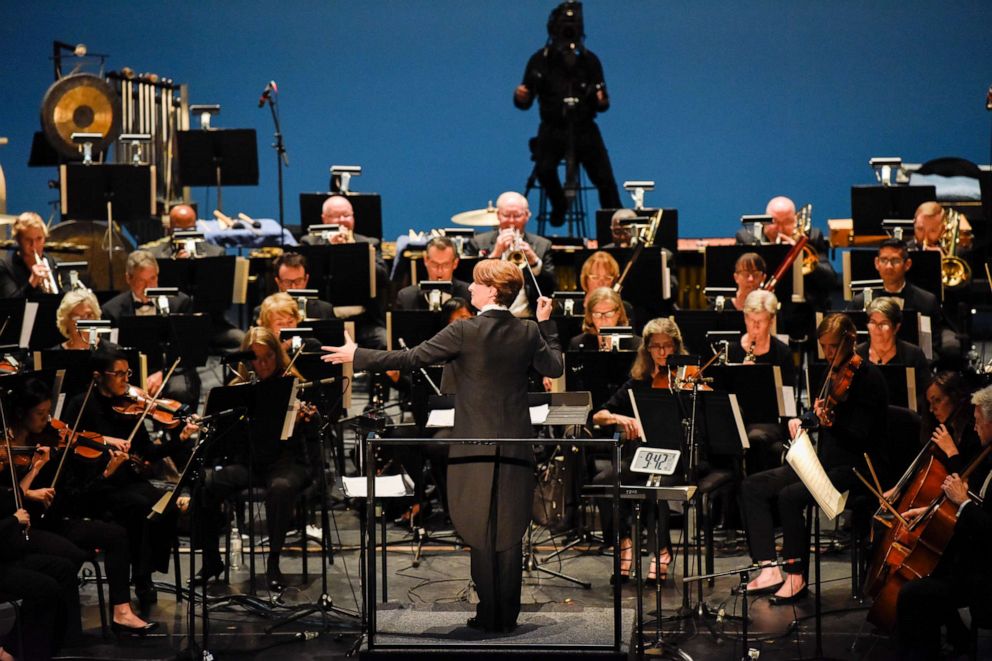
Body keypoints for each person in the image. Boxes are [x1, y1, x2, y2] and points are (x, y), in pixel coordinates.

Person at [322, 260, 563, 633]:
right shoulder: (529, 331)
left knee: (482, 529)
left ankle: (488, 615)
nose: (469, 290)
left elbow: (411, 358)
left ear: (493, 292)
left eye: (477, 285)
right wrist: (547, 323)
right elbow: (554, 367)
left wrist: (359, 356)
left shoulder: (465, 331)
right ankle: (505, 616)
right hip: (516, 443)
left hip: (472, 443)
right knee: (510, 528)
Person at [741, 314, 888, 602]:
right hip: (824, 462)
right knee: (752, 486)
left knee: (789, 497)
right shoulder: (832, 372)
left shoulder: (869, 379)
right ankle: (770, 568)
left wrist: (831, 422)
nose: (829, 353)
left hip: (856, 466)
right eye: (824, 346)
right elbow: (820, 412)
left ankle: (796, 576)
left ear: (849, 340)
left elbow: (861, 435)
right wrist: (804, 420)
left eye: (834, 346)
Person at [7, 378, 160, 630]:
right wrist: (31, 489)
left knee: (117, 535)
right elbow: (5, 498)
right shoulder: (8, 450)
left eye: (48, 413)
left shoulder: (54, 444)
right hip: (25, 528)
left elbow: (75, 496)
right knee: (71, 556)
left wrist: (105, 474)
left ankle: (122, 611)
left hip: (56, 520)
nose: (47, 421)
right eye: (40, 414)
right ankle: (63, 626)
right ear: (21, 413)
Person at [60, 348, 189, 610]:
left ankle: (146, 570)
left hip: (127, 480)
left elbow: (148, 453)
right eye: (118, 374)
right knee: (139, 508)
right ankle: (141, 578)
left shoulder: (131, 405)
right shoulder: (80, 404)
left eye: (127, 373)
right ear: (98, 376)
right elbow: (68, 442)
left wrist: (180, 439)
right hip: (98, 484)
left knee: (165, 503)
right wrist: (106, 444)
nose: (125, 380)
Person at [196, 327, 318, 591]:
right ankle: (211, 559)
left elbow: (315, 433)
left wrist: (304, 420)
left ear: (277, 355)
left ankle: (273, 561)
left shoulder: (293, 384)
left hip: (288, 463)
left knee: (281, 488)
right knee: (204, 483)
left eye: (268, 358)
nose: (262, 365)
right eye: (256, 359)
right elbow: (222, 437)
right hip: (250, 463)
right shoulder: (238, 389)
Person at [589, 317, 691, 584]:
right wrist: (618, 419)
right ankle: (624, 543)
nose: (661, 352)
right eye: (655, 346)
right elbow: (598, 415)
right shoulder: (639, 380)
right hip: (644, 455)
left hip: (678, 456)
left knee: (654, 487)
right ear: (646, 349)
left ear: (675, 347)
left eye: (666, 346)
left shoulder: (688, 378)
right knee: (604, 482)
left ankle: (662, 552)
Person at [894, 384, 992, 660]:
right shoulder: (987, 453)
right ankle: (944, 642)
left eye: (979, 422)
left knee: (913, 594)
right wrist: (929, 511)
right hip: (973, 560)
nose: (975, 428)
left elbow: (986, 524)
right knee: (921, 580)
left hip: (984, 574)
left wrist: (962, 503)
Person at [514, 1, 621, 227]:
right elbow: (524, 100)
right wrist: (520, 96)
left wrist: (601, 99)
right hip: (553, 128)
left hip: (584, 128)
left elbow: (603, 103)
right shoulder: (540, 60)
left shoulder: (589, 61)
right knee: (544, 168)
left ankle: (615, 228)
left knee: (606, 181)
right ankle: (559, 205)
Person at [101, 249, 201, 406]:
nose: (149, 287)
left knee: (180, 390)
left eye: (153, 279)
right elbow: (110, 356)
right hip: (130, 372)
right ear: (128, 278)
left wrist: (163, 373)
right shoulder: (111, 311)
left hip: (171, 370)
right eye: (142, 281)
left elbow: (187, 350)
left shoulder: (180, 302)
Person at [847, 238, 960, 362]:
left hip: (913, 367)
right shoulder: (860, 301)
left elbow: (932, 349)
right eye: (884, 260)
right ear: (876, 263)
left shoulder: (926, 301)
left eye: (895, 260)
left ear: (907, 264)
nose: (889, 266)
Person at [299, 195, 388, 349]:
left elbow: (383, 278)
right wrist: (329, 247)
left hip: (364, 321)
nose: (342, 220)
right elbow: (307, 279)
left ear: (353, 217)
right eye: (335, 216)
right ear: (324, 219)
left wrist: (355, 249)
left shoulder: (369, 243)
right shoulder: (309, 242)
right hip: (325, 320)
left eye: (346, 215)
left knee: (385, 342)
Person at [727, 289, 794, 473]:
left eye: (761, 321)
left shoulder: (782, 353)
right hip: (737, 419)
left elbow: (787, 400)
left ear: (771, 321)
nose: (755, 327)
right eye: (751, 320)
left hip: (769, 421)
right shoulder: (731, 350)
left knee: (755, 439)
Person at [735, 196, 835, 309]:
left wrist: (798, 252)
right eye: (774, 222)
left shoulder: (811, 237)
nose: (781, 229)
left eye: (787, 222)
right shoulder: (746, 238)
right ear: (764, 222)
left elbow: (829, 279)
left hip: (803, 305)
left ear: (796, 220)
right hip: (761, 305)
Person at [467, 191, 555, 318]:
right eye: (507, 215)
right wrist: (496, 253)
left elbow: (550, 286)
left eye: (517, 216)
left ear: (527, 215)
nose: (512, 221)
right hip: (488, 319)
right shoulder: (479, 242)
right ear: (498, 215)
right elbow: (469, 284)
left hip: (527, 318)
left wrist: (534, 261)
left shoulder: (542, 245)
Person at [853, 297, 930, 411]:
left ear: (896, 327)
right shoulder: (857, 353)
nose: (877, 328)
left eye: (884, 323)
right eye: (873, 322)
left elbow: (924, 394)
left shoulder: (913, 354)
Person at [252, 252, 334, 322]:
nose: (293, 287)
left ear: (306, 279)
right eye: (287, 282)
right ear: (278, 282)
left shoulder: (325, 310)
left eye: (298, 281)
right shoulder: (262, 312)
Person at [395, 236, 472, 311]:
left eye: (445, 265)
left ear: (455, 263)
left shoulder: (469, 295)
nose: (439, 270)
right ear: (426, 260)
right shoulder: (407, 297)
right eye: (435, 264)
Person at [0, 211, 59, 298]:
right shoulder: (5, 267)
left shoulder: (55, 264)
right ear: (18, 240)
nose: (34, 245)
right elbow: (12, 304)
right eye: (28, 239)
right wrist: (32, 282)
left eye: (39, 238)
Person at [143, 204, 225, 259]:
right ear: (170, 229)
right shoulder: (152, 255)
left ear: (195, 227)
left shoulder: (215, 254)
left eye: (189, 230)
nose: (185, 236)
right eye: (179, 230)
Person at [569, 287, 637, 351]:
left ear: (618, 313)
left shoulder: (636, 346)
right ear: (590, 316)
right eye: (597, 314)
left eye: (609, 314)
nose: (603, 319)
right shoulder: (577, 344)